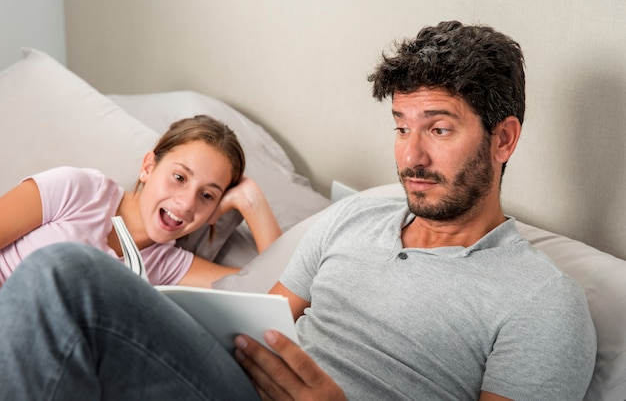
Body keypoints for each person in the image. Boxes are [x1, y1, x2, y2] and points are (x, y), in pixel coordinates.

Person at [0, 21, 596, 400]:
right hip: (225, 386)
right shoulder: (356, 218)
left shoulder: (543, 303)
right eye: (400, 127)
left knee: (64, 276)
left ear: (503, 139)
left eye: (439, 129)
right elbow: (257, 323)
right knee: (66, 274)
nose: (410, 156)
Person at [0, 115, 281, 287]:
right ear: (148, 167)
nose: (185, 204)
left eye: (207, 195)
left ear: (214, 212)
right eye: (179, 178)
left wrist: (251, 202)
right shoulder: (77, 189)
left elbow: (278, 292)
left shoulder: (166, 264)